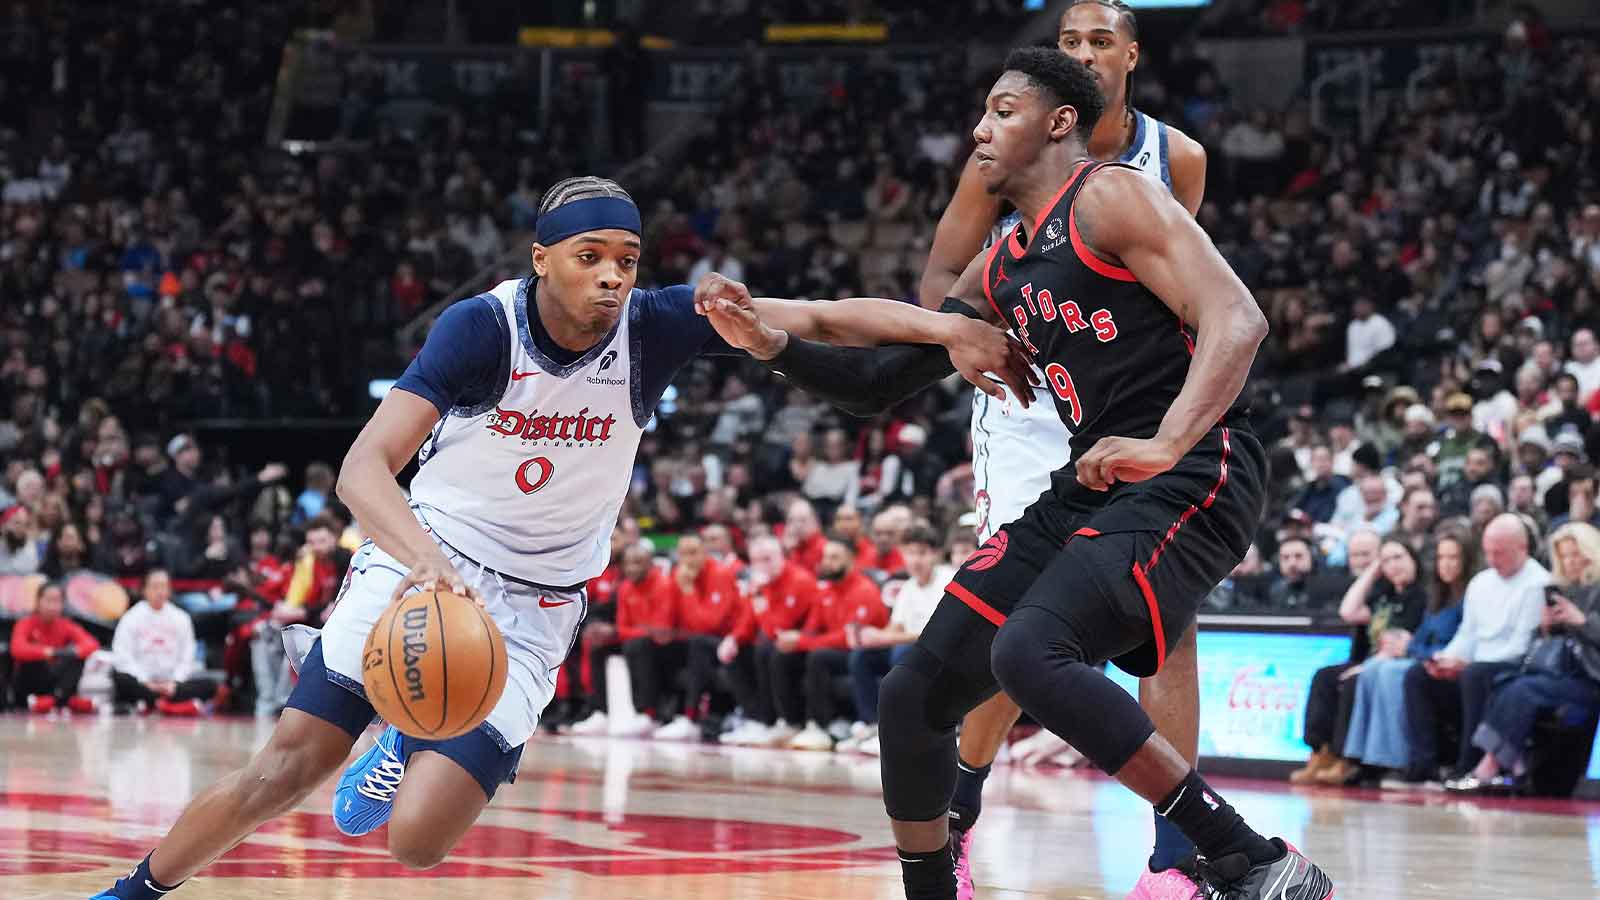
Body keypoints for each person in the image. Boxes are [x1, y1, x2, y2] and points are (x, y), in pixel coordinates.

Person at [695, 46, 1331, 900]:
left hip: (1199, 465)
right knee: (913, 695)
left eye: (1001, 111)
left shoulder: (1109, 195)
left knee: (1031, 651)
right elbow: (879, 375)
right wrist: (766, 337)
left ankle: (1250, 860)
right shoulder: (1000, 266)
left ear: (1060, 122)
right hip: (1095, 481)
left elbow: (1238, 319)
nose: (978, 129)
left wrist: (1166, 441)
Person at [85, 177, 759, 900]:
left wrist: (814, 334)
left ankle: (405, 733)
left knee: (417, 842)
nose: (612, 275)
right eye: (589, 255)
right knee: (284, 768)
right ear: (541, 259)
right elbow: (360, 472)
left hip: (535, 603)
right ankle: (130, 893)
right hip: (428, 560)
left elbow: (819, 320)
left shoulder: (653, 326)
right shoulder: (483, 327)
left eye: (627, 259)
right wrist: (428, 562)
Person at [917, 5, 1213, 894]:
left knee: (1171, 624)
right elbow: (940, 281)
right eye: (1070, 41)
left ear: (1132, 55)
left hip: (1123, 402)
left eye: (1099, 41)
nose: (1083, 53)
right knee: (1012, 621)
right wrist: (967, 337)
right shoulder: (1007, 146)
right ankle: (957, 812)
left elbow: (1178, 289)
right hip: (1026, 402)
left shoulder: (1177, 158)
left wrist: (1171, 422)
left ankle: (1178, 859)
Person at [1447, 522, 1600, 792]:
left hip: (1590, 676)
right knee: (1503, 682)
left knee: (1524, 690)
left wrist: (1581, 621)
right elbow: (1545, 645)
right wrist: (1545, 627)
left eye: (1575, 554)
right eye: (1564, 555)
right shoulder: (1563, 588)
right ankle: (1512, 765)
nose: (1570, 562)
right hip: (1561, 672)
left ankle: (1488, 767)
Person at [1399, 513, 1547, 786]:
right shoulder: (1481, 582)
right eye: (1488, 552)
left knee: (1474, 675)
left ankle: (1467, 764)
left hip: (1512, 667)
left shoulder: (1538, 583)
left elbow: (1521, 647)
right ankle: (1424, 764)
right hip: (1476, 664)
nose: (1492, 559)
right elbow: (1467, 634)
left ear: (1522, 548)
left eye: (1499, 553)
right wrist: (1445, 659)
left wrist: (1466, 665)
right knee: (1418, 675)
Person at [1291, 539, 1427, 786]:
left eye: (1398, 557)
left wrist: (1365, 666)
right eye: (1387, 560)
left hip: (1394, 664)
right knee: (1324, 676)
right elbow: (1348, 611)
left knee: (1353, 681)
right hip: (1371, 662)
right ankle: (1320, 752)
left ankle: (1346, 758)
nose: (1393, 565)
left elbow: (1404, 642)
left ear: (1414, 559)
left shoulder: (1420, 596)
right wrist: (1373, 570)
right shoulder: (1384, 596)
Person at [1345, 533, 1471, 784]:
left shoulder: (1456, 596)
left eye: (1453, 557)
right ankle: (1366, 759)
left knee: (1388, 670)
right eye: (1441, 558)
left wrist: (1412, 648)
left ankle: (1398, 759)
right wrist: (1412, 648)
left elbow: (1458, 643)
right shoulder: (1437, 597)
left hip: (1446, 663)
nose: (1446, 564)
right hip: (1423, 658)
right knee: (1372, 669)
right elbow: (1418, 639)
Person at [843, 524, 953, 755]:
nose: (916, 560)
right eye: (910, 553)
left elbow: (937, 633)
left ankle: (906, 728)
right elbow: (895, 628)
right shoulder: (908, 587)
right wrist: (871, 637)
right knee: (862, 657)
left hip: (942, 652)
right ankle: (872, 724)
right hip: (909, 649)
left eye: (922, 553)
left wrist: (886, 637)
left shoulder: (948, 580)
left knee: (901, 653)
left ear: (935, 554)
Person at [781, 535, 889, 751]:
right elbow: (811, 628)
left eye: (834, 557)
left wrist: (803, 642)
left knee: (818, 657)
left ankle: (821, 725)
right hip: (834, 648)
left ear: (851, 560)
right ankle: (788, 721)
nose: (827, 562)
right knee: (783, 656)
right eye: (825, 557)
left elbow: (849, 637)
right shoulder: (825, 590)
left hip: (863, 650)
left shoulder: (865, 591)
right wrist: (795, 639)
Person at [719, 535, 822, 746]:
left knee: (768, 650)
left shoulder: (799, 581)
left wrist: (759, 598)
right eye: (756, 561)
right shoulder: (761, 584)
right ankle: (757, 719)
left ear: (781, 557)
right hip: (779, 642)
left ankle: (789, 720)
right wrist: (733, 639)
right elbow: (748, 621)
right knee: (736, 653)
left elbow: (778, 629)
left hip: (805, 644)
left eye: (767, 559)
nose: (762, 566)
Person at [109, 569, 218, 716]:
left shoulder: (181, 618)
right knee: (119, 678)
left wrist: (174, 682)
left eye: (164, 586)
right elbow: (122, 654)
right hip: (142, 682)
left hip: (172, 683)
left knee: (210, 685)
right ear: (144, 590)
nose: (160, 591)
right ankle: (168, 703)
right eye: (155, 586)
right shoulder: (131, 618)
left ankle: (152, 703)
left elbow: (187, 655)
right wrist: (145, 681)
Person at [11, 581, 100, 714]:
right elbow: (17, 649)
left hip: (56, 682)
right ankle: (66, 702)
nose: (53, 606)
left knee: (76, 658)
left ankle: (54, 700)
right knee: (30, 661)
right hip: (33, 680)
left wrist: (70, 651)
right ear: (38, 601)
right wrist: (46, 652)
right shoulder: (25, 623)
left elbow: (91, 644)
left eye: (57, 601)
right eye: (49, 600)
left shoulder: (66, 624)